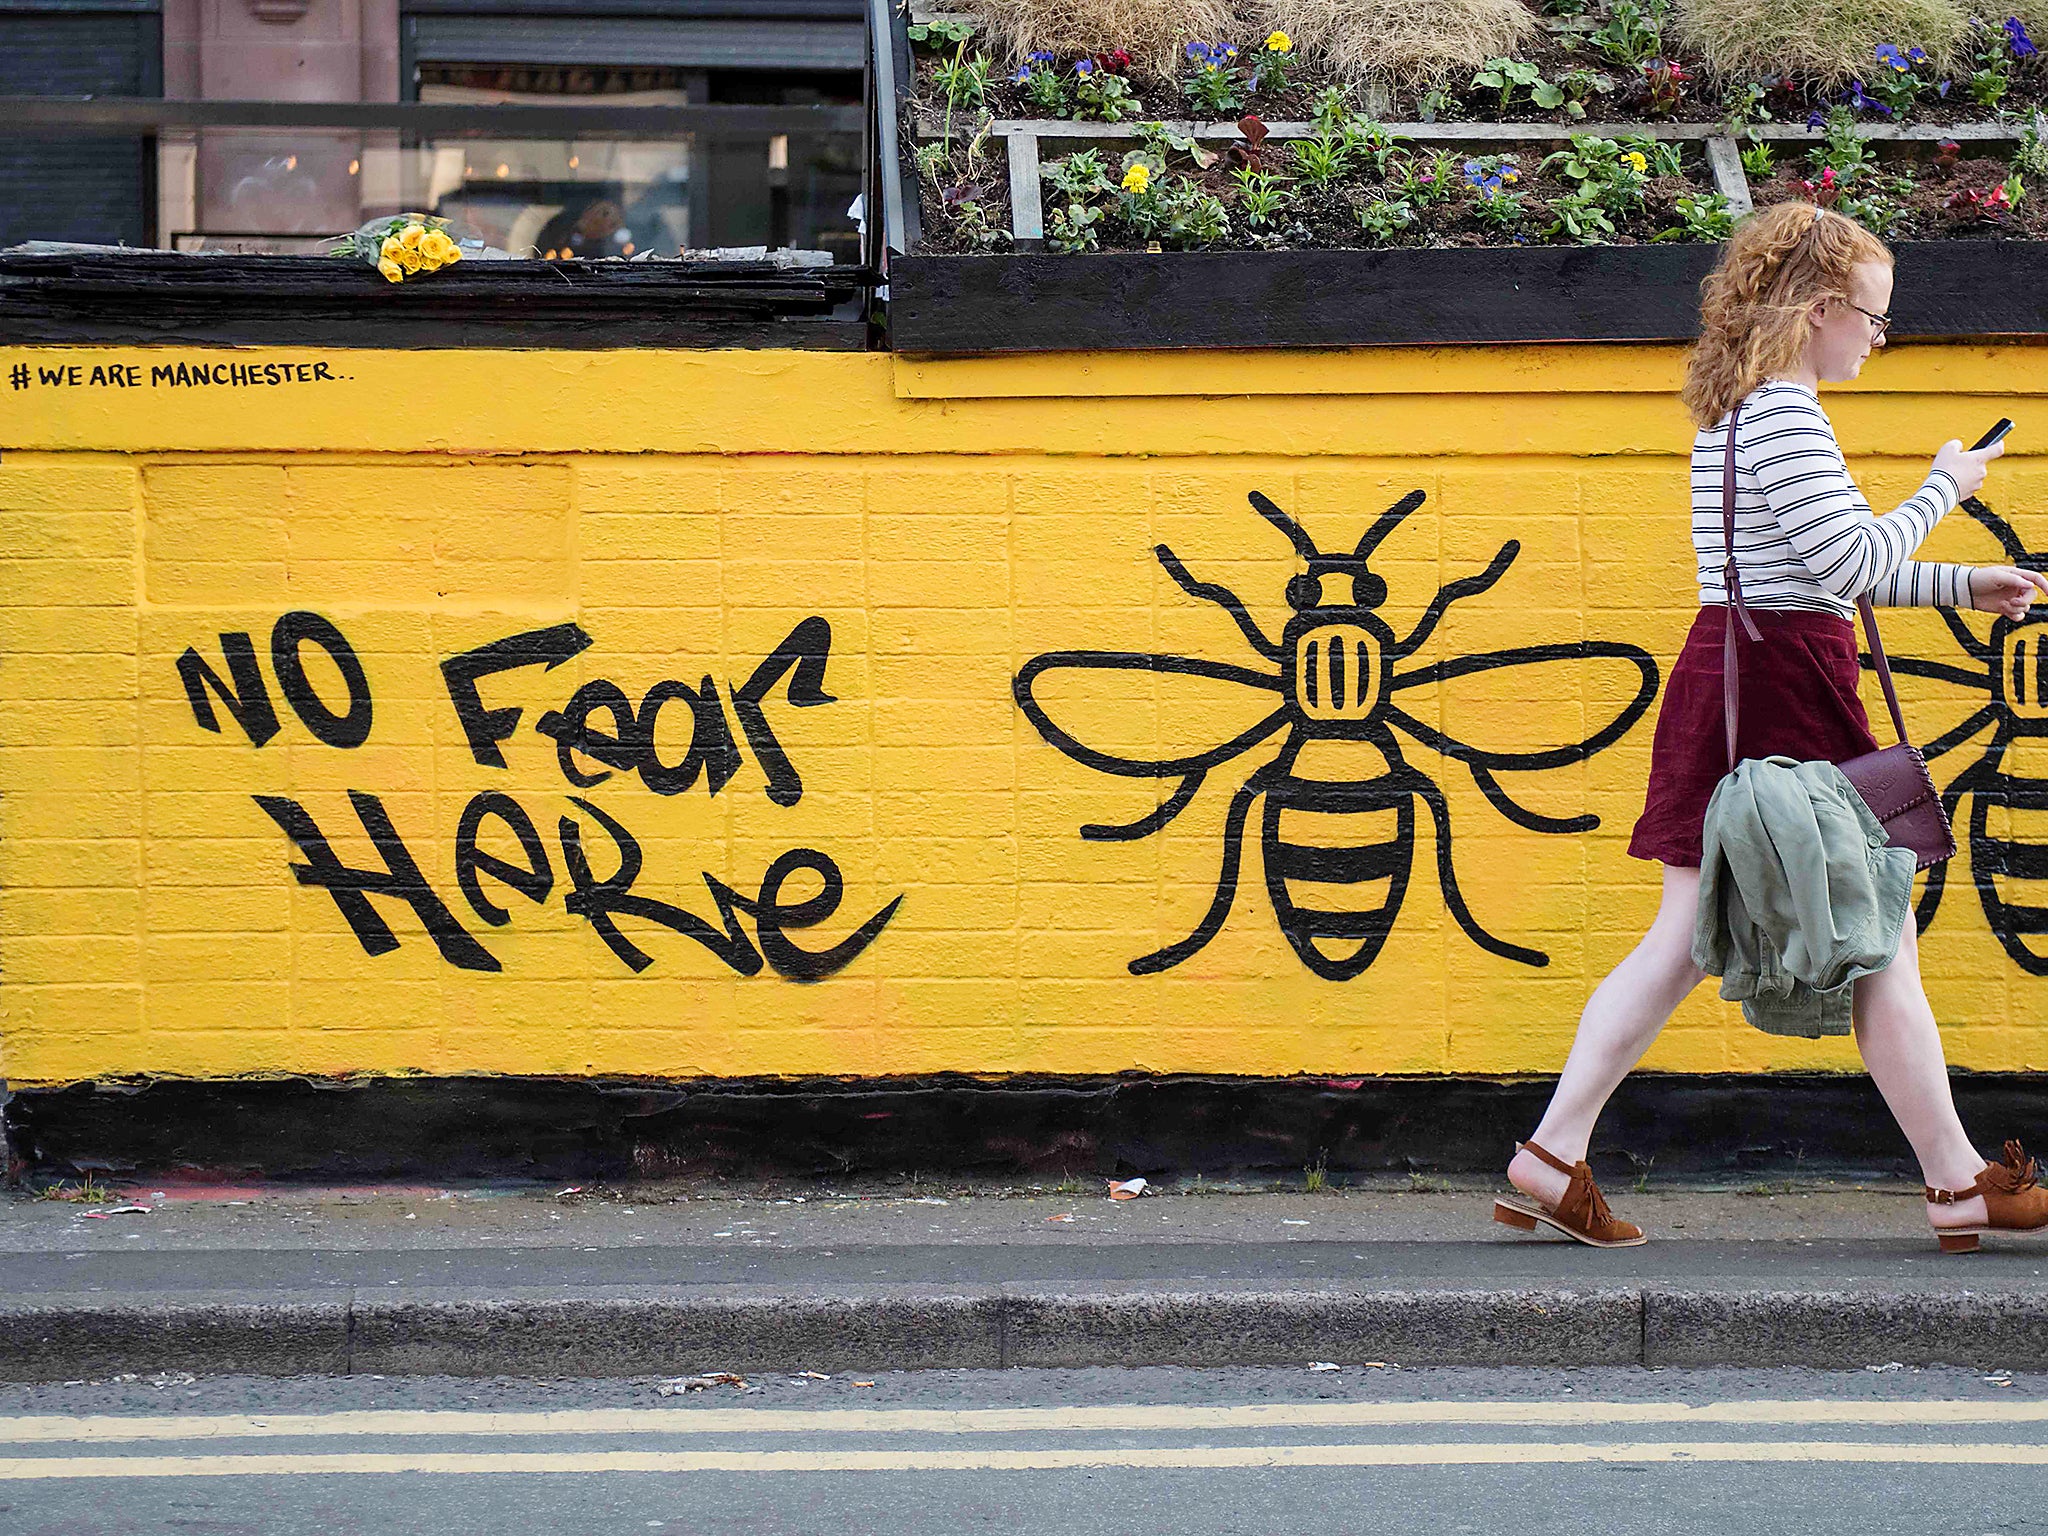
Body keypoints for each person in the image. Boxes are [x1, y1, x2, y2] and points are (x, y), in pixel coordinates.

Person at [1493, 201, 2048, 1254]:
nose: (1877, 341)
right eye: (1873, 321)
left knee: (1689, 939)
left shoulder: (1740, 408)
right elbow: (1841, 569)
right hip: (1786, 683)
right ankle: (1955, 1186)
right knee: (1877, 930)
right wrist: (1946, 486)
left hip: (1740, 669)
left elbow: (1813, 565)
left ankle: (1548, 1156)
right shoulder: (1786, 414)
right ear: (1819, 309)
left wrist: (1956, 586)